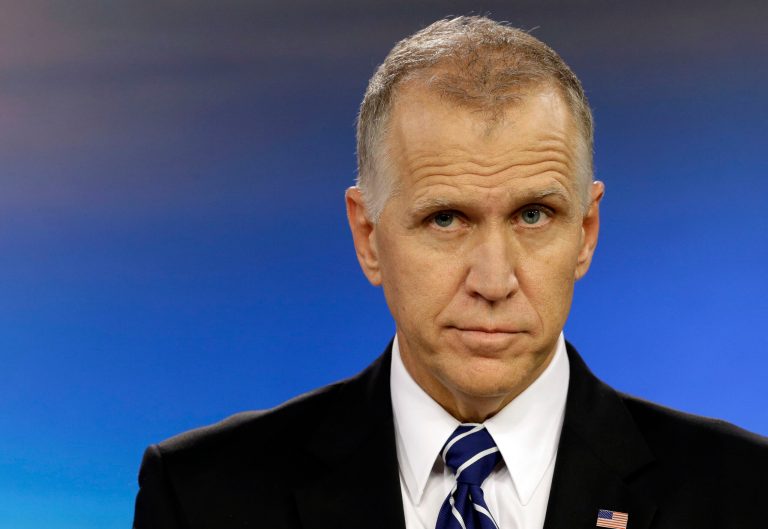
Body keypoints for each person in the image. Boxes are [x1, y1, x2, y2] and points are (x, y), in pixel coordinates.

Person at [132, 16, 767, 529]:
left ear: (586, 233)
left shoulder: (746, 494)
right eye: (446, 219)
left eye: (534, 215)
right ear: (368, 236)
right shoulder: (202, 497)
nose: (494, 281)